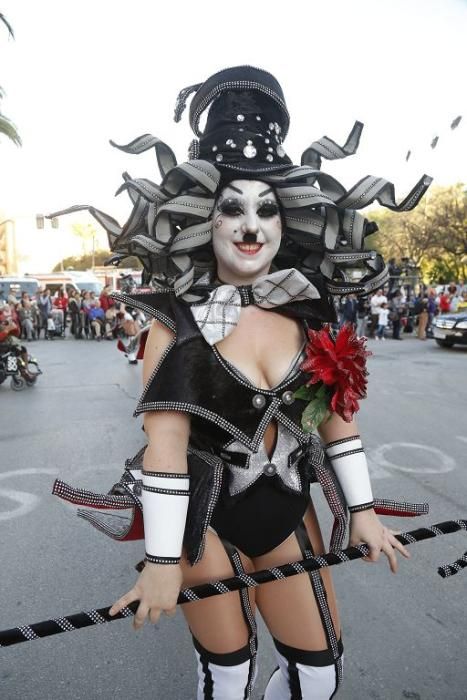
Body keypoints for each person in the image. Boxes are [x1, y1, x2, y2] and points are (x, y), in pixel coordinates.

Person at [52, 66, 431, 699]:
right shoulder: (172, 322)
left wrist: (362, 512)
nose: (251, 226)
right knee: (226, 680)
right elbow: (166, 449)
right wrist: (164, 562)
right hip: (202, 522)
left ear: (290, 223)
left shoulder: (309, 310)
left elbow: (337, 413)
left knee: (319, 676)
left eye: (267, 209)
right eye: (233, 208)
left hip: (286, 513)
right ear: (206, 219)